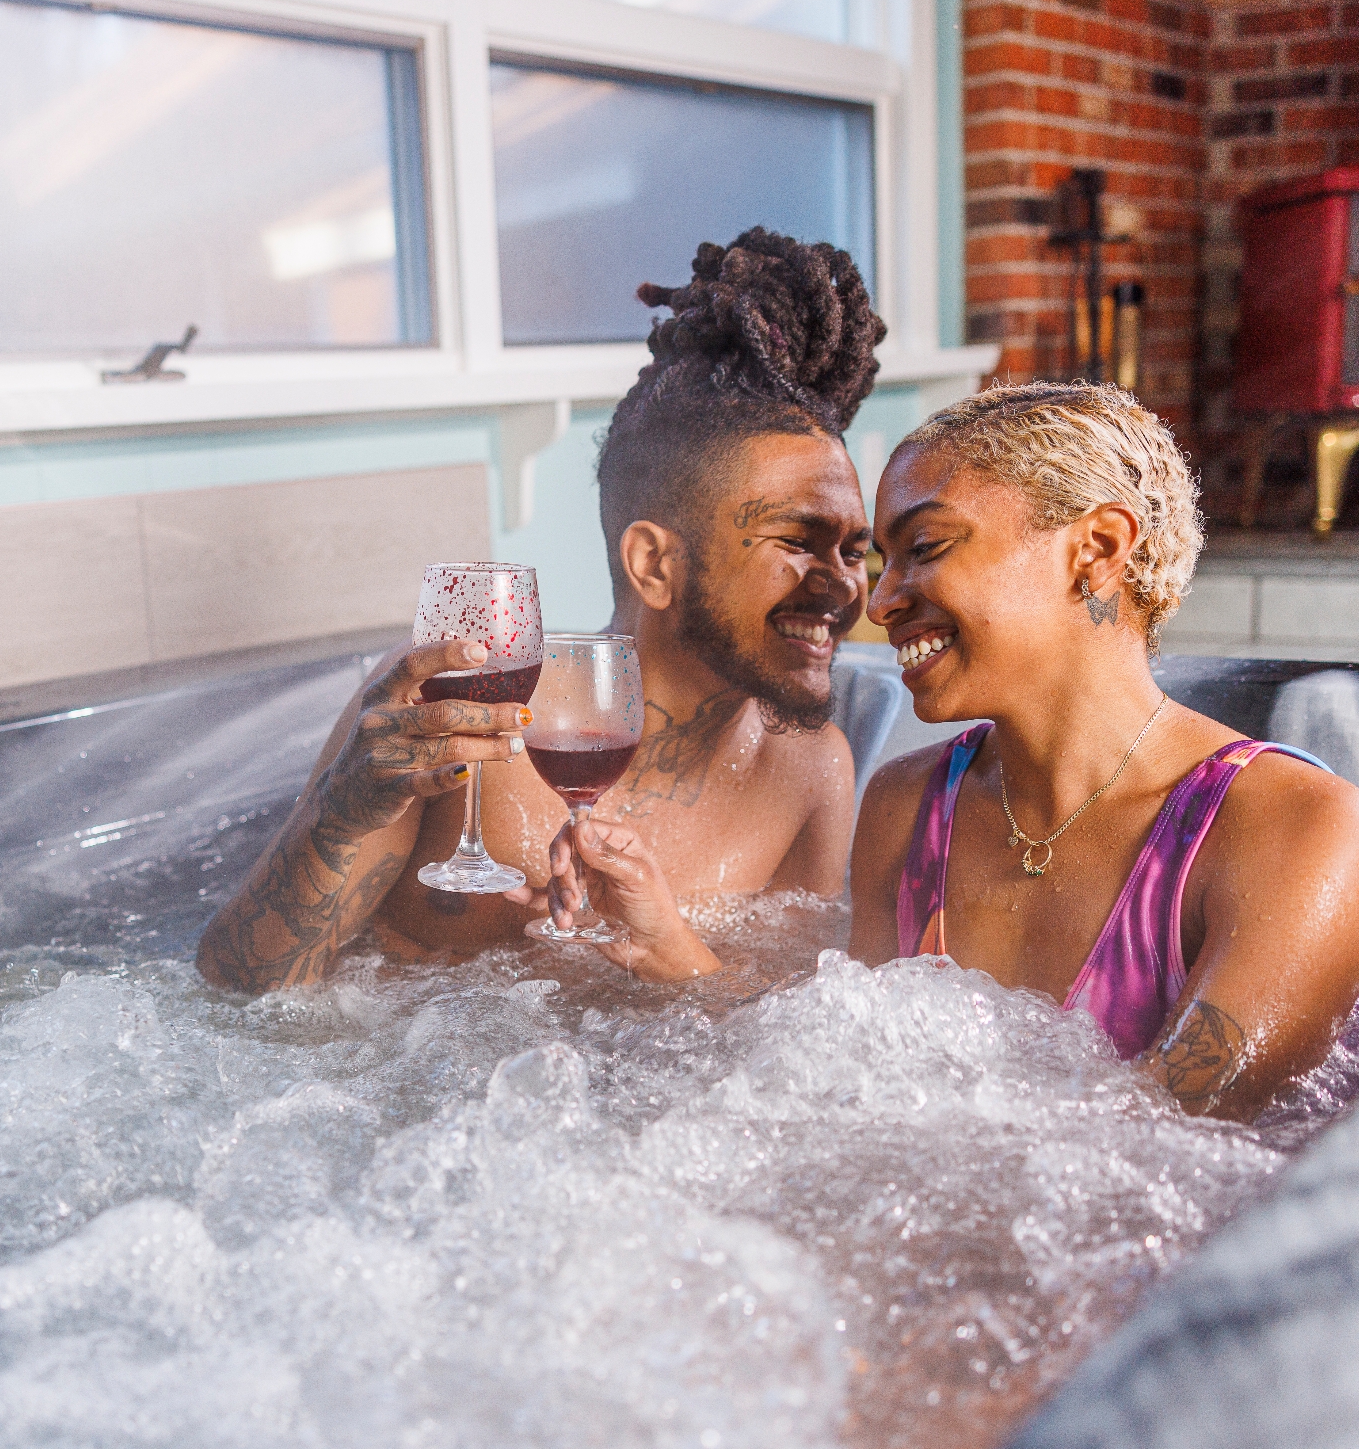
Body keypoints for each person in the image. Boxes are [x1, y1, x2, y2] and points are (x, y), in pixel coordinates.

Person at [197, 228, 886, 991]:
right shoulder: (455, 714)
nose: (844, 586)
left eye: (853, 551)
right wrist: (336, 815)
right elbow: (236, 997)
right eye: (797, 540)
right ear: (655, 564)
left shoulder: (809, 770)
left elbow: (777, 1052)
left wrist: (676, 958)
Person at [845, 383, 1359, 1119]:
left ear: (1097, 548)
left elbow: (1159, 1156)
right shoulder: (905, 806)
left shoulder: (1301, 830)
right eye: (881, 561)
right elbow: (844, 1100)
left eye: (923, 548)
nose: (879, 601)